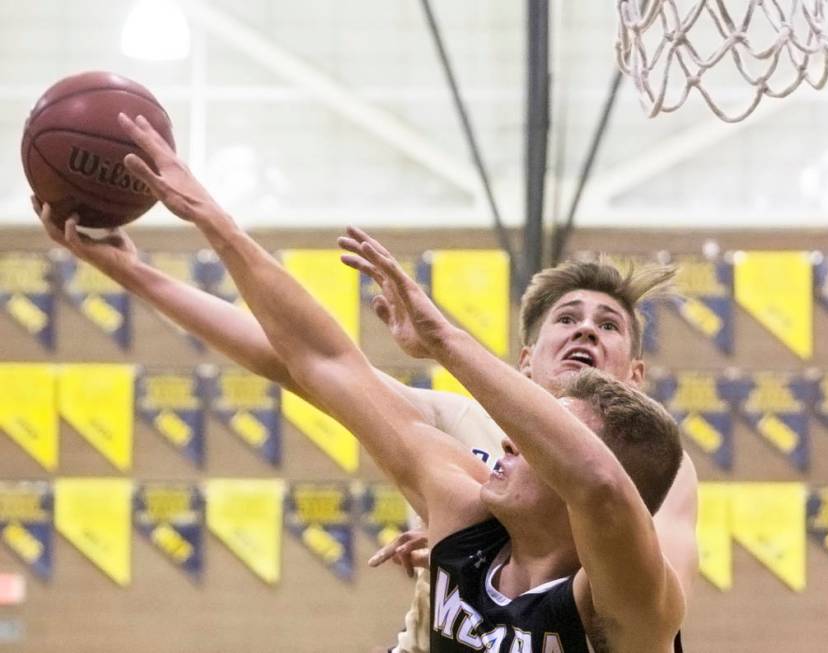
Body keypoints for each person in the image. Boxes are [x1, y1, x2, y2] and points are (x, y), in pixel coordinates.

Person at [35, 112, 696, 651]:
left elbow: (604, 495)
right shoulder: (464, 482)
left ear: (635, 379)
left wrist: (444, 339)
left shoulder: (640, 505)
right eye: (566, 319)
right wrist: (201, 227)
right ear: (522, 361)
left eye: (607, 324)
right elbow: (318, 362)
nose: (584, 333)